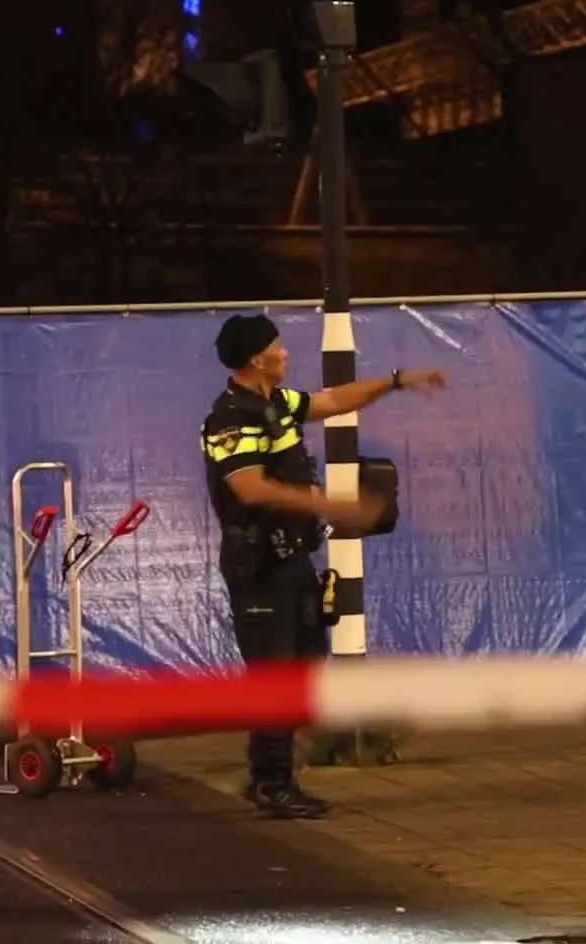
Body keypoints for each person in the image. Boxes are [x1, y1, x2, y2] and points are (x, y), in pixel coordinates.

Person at [201, 313, 445, 819]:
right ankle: (271, 782)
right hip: (260, 566)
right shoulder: (232, 417)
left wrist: (397, 383)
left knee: (304, 669)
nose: (287, 353)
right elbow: (248, 486)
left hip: (294, 560)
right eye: (278, 346)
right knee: (275, 675)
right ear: (255, 359)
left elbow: (334, 401)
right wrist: (326, 503)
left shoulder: (278, 405)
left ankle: (273, 773)